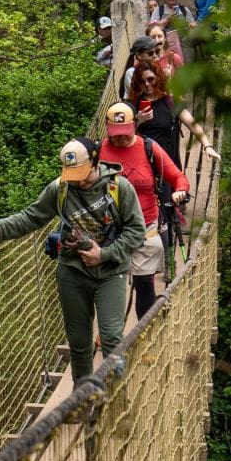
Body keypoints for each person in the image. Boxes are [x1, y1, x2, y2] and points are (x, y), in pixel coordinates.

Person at [0, 137, 144, 383]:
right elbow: (32, 217)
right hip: (73, 271)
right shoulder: (61, 188)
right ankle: (81, 400)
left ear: (95, 162)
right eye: (71, 172)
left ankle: (116, 398)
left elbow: (136, 231)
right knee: (79, 344)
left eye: (81, 172)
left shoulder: (119, 188)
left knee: (111, 338)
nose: (76, 178)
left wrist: (104, 254)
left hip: (111, 271)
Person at [98, 101, 191, 318]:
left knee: (144, 285)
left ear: (134, 125)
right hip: (109, 229)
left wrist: (180, 191)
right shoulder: (96, 152)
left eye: (125, 133)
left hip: (144, 227)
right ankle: (109, 333)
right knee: (109, 286)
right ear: (107, 127)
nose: (120, 138)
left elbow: (178, 177)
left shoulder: (149, 147)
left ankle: (143, 337)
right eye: (115, 133)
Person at [121, 35, 181, 167]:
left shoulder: (156, 69)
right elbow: (136, 95)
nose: (155, 56)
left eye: (156, 52)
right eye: (150, 53)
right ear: (138, 55)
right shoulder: (132, 73)